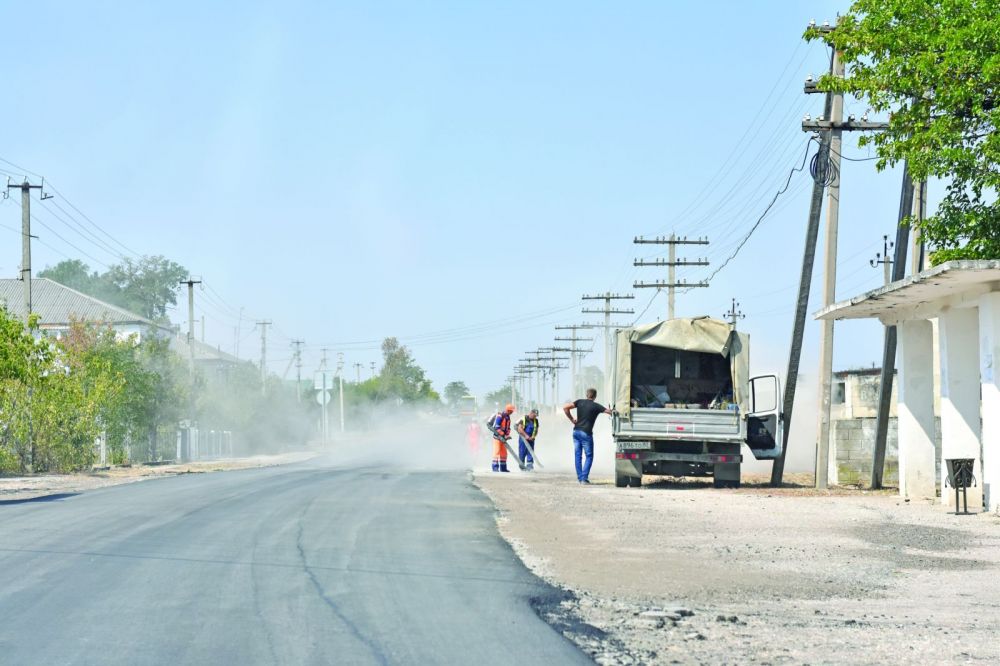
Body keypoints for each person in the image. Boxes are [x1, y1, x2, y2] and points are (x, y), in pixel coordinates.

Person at [563, 388, 613, 484]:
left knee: (578, 455)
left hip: (576, 431)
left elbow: (565, 408)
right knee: (589, 456)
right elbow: (609, 412)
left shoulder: (579, 402)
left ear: (586, 395)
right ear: (595, 396)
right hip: (586, 433)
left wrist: (572, 420)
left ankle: (580, 478)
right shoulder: (596, 406)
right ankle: (584, 478)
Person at [488, 404, 516, 472]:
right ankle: (495, 468)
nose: (512, 412)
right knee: (496, 452)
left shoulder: (508, 417)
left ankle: (503, 468)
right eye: (511, 411)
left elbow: (508, 428)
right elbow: (497, 427)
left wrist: (507, 435)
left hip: (503, 438)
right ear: (508, 410)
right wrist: (503, 435)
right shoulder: (500, 416)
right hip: (497, 438)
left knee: (504, 453)